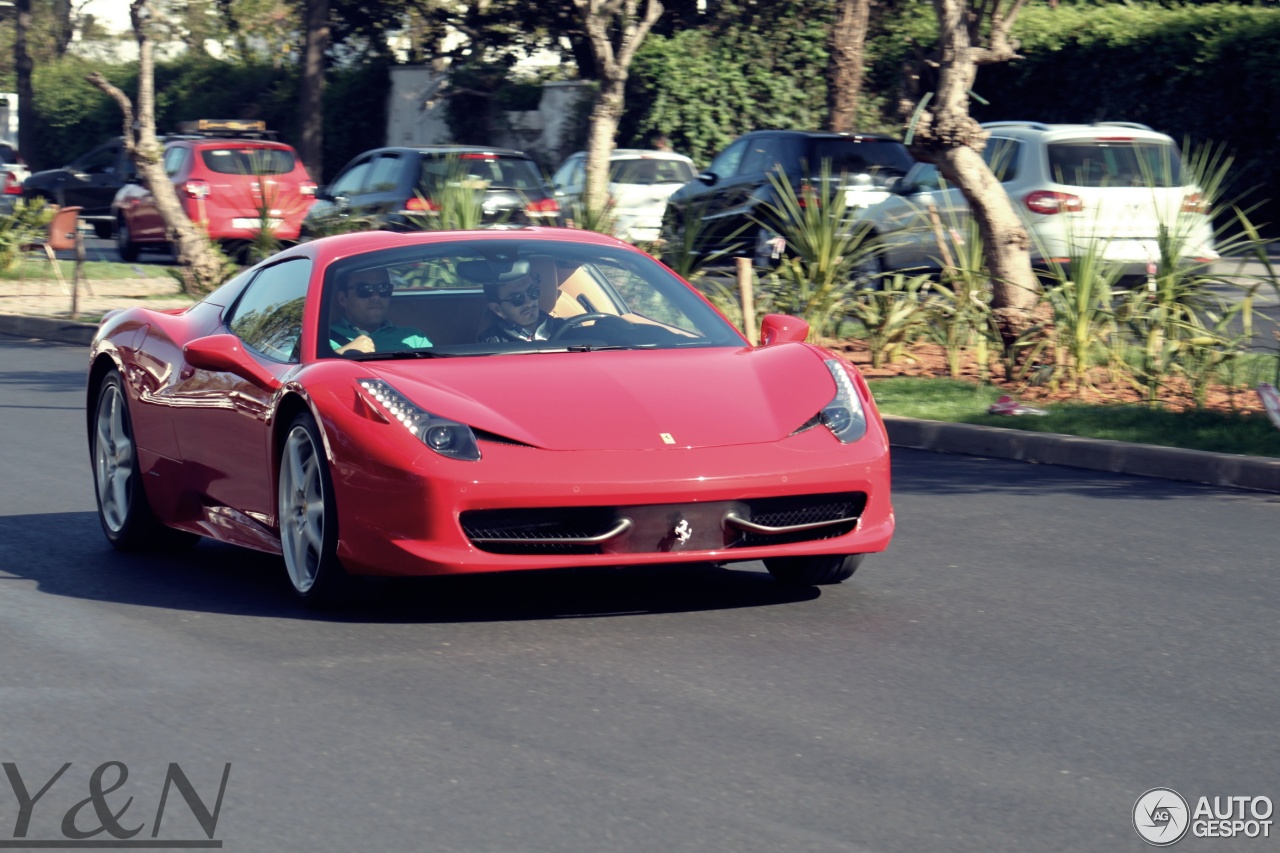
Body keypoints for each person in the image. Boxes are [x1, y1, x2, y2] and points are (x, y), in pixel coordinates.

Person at [329, 267, 432, 355]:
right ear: (343, 299)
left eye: (383, 288)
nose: (376, 297)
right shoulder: (322, 338)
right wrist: (344, 352)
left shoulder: (414, 338)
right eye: (365, 289)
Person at [478, 273, 567, 343]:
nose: (529, 302)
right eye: (517, 298)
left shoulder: (566, 328)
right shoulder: (492, 345)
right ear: (498, 309)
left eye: (533, 292)